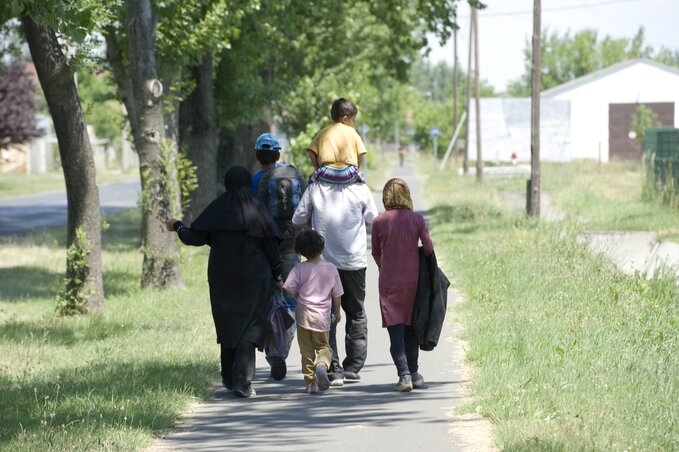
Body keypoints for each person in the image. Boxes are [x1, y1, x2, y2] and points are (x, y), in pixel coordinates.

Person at [165, 166, 283, 398]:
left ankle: (229, 378)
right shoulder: (257, 209)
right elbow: (272, 248)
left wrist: (178, 225)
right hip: (256, 279)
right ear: (249, 182)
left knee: (228, 325)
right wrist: (278, 275)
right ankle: (242, 381)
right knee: (250, 328)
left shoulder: (218, 208)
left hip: (222, 279)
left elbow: (193, 237)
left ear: (227, 182)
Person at [292, 167, 378, 386]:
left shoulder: (315, 187)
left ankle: (334, 369)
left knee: (327, 314)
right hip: (354, 261)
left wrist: (314, 224)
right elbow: (373, 219)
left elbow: (297, 218)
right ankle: (353, 366)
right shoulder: (360, 188)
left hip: (323, 261)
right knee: (356, 311)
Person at [371, 178, 434, 392]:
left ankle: (404, 374)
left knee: (395, 330)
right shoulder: (417, 219)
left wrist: (384, 267)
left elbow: (375, 252)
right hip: (413, 281)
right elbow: (428, 247)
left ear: (386, 196)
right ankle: (414, 372)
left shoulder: (379, 221)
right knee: (411, 328)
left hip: (388, 282)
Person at [252, 132, 307, 381]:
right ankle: (283, 350)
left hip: (263, 248)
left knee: (267, 301)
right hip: (290, 245)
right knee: (290, 299)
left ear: (257, 156)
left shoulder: (255, 181)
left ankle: (273, 354)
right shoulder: (292, 176)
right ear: (278, 154)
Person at [283, 230, 343, 394]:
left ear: (300, 251)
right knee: (324, 347)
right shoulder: (330, 268)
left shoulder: (299, 268)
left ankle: (311, 383)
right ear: (322, 247)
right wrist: (337, 313)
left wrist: (295, 293)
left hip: (303, 313)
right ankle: (322, 365)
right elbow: (337, 294)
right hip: (322, 315)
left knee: (306, 350)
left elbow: (287, 286)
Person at [307, 98, 368, 185]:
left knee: (311, 181)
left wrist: (317, 168)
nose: (353, 123)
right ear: (345, 119)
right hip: (348, 174)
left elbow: (311, 151)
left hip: (326, 173)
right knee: (363, 181)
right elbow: (361, 153)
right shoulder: (352, 132)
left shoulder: (323, 132)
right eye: (353, 120)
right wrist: (357, 168)